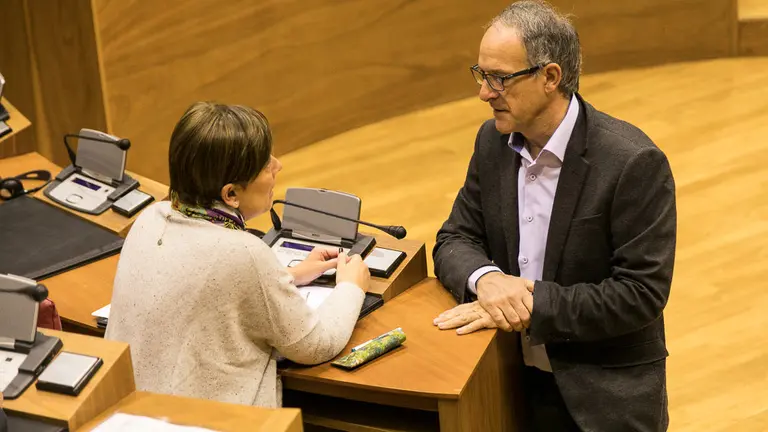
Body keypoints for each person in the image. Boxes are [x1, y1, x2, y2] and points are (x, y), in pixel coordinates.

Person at [431, 1, 676, 430]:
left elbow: (639, 294)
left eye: (500, 79)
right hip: (508, 381)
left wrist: (529, 304)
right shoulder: (492, 142)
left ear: (550, 77)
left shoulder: (632, 162)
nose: (485, 92)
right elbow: (455, 237)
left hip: (602, 394)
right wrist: (488, 281)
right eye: (481, 74)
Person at [105, 101, 370, 408]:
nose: (278, 166)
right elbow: (314, 344)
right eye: (265, 164)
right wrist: (350, 287)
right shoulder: (244, 253)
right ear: (230, 194)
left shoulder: (148, 219)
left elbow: (208, 282)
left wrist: (288, 276)